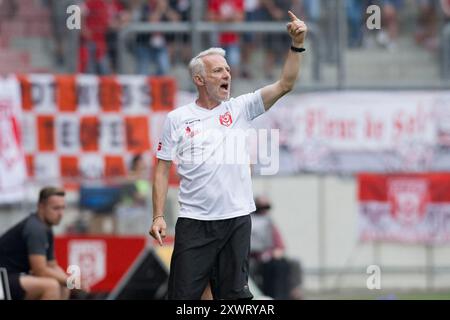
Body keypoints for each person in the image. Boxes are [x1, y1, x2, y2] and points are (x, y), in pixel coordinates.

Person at [149, 10, 307, 300]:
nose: (227, 74)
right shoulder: (177, 118)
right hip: (194, 222)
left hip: (236, 220)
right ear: (199, 78)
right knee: (182, 299)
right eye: (218, 70)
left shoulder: (240, 108)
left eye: (227, 69)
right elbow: (161, 168)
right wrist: (158, 215)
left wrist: (296, 46)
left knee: (234, 297)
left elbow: (286, 84)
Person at [0, 187, 72, 300]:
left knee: (63, 286)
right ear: (41, 207)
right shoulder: (35, 229)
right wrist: (71, 281)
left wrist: (70, 282)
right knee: (51, 286)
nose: (61, 213)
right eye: (56, 208)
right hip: (3, 278)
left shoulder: (46, 228)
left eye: (63, 208)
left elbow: (52, 265)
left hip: (17, 277)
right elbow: (40, 270)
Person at [250, 196, 303, 299]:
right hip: (254, 258)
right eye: (261, 207)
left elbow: (280, 244)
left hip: (272, 257)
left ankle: (294, 291)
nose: (264, 211)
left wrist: (276, 251)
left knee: (293, 263)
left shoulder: (269, 223)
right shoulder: (249, 221)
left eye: (267, 207)